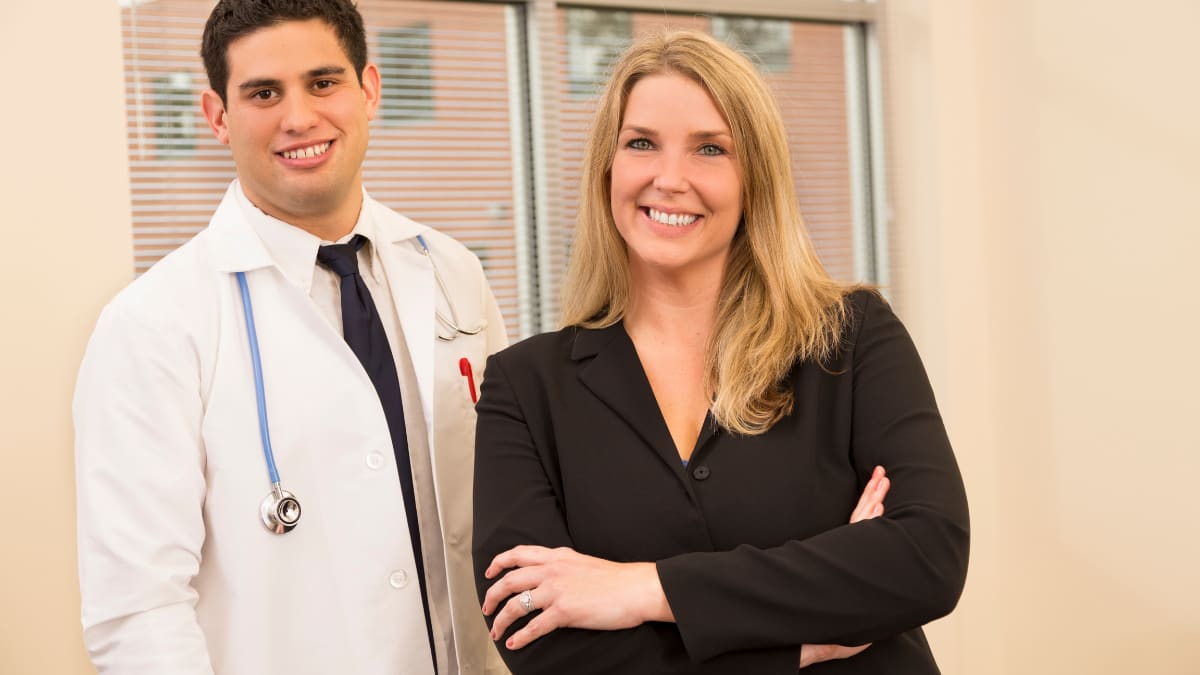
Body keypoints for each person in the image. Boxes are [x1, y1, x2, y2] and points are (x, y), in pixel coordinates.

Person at [472, 29, 969, 674]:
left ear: (755, 177)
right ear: (608, 168)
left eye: (710, 149)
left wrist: (642, 588)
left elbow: (927, 558)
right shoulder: (525, 386)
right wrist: (803, 640)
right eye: (642, 143)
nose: (670, 178)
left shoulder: (851, 338)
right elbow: (542, 642)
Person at [73, 1, 508, 673]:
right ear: (217, 116)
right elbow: (138, 609)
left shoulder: (452, 271)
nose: (299, 117)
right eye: (264, 93)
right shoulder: (153, 324)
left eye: (323, 82)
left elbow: (505, 504)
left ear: (369, 90)